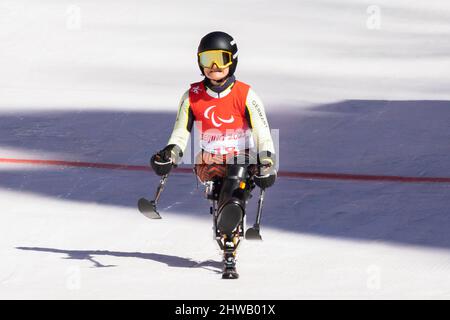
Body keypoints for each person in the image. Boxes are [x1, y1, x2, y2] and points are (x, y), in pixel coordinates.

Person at [150, 31, 276, 240]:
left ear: (232, 60)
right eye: (207, 59)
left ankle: (230, 215)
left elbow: (262, 131)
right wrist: (171, 152)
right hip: (210, 159)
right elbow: (181, 131)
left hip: (243, 157)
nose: (214, 66)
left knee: (238, 168)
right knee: (219, 171)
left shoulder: (245, 95)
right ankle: (228, 215)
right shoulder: (192, 96)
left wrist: (267, 157)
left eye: (221, 59)